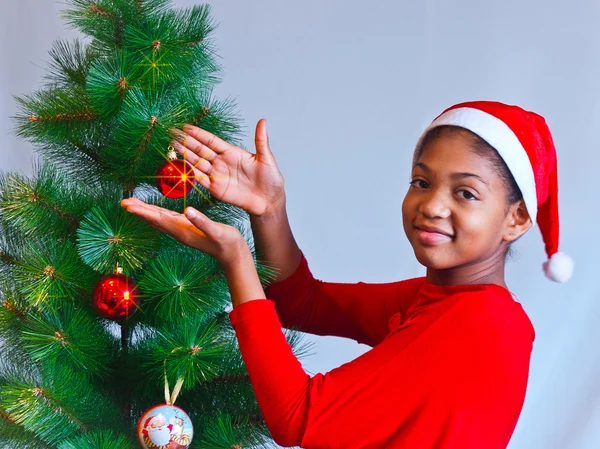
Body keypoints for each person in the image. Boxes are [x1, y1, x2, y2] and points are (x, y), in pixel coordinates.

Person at [121, 100, 573, 449]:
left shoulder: (479, 324)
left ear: (516, 218)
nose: (433, 206)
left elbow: (296, 416)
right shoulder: (444, 300)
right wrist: (270, 210)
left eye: (466, 193)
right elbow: (303, 304)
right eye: (421, 182)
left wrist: (237, 259)